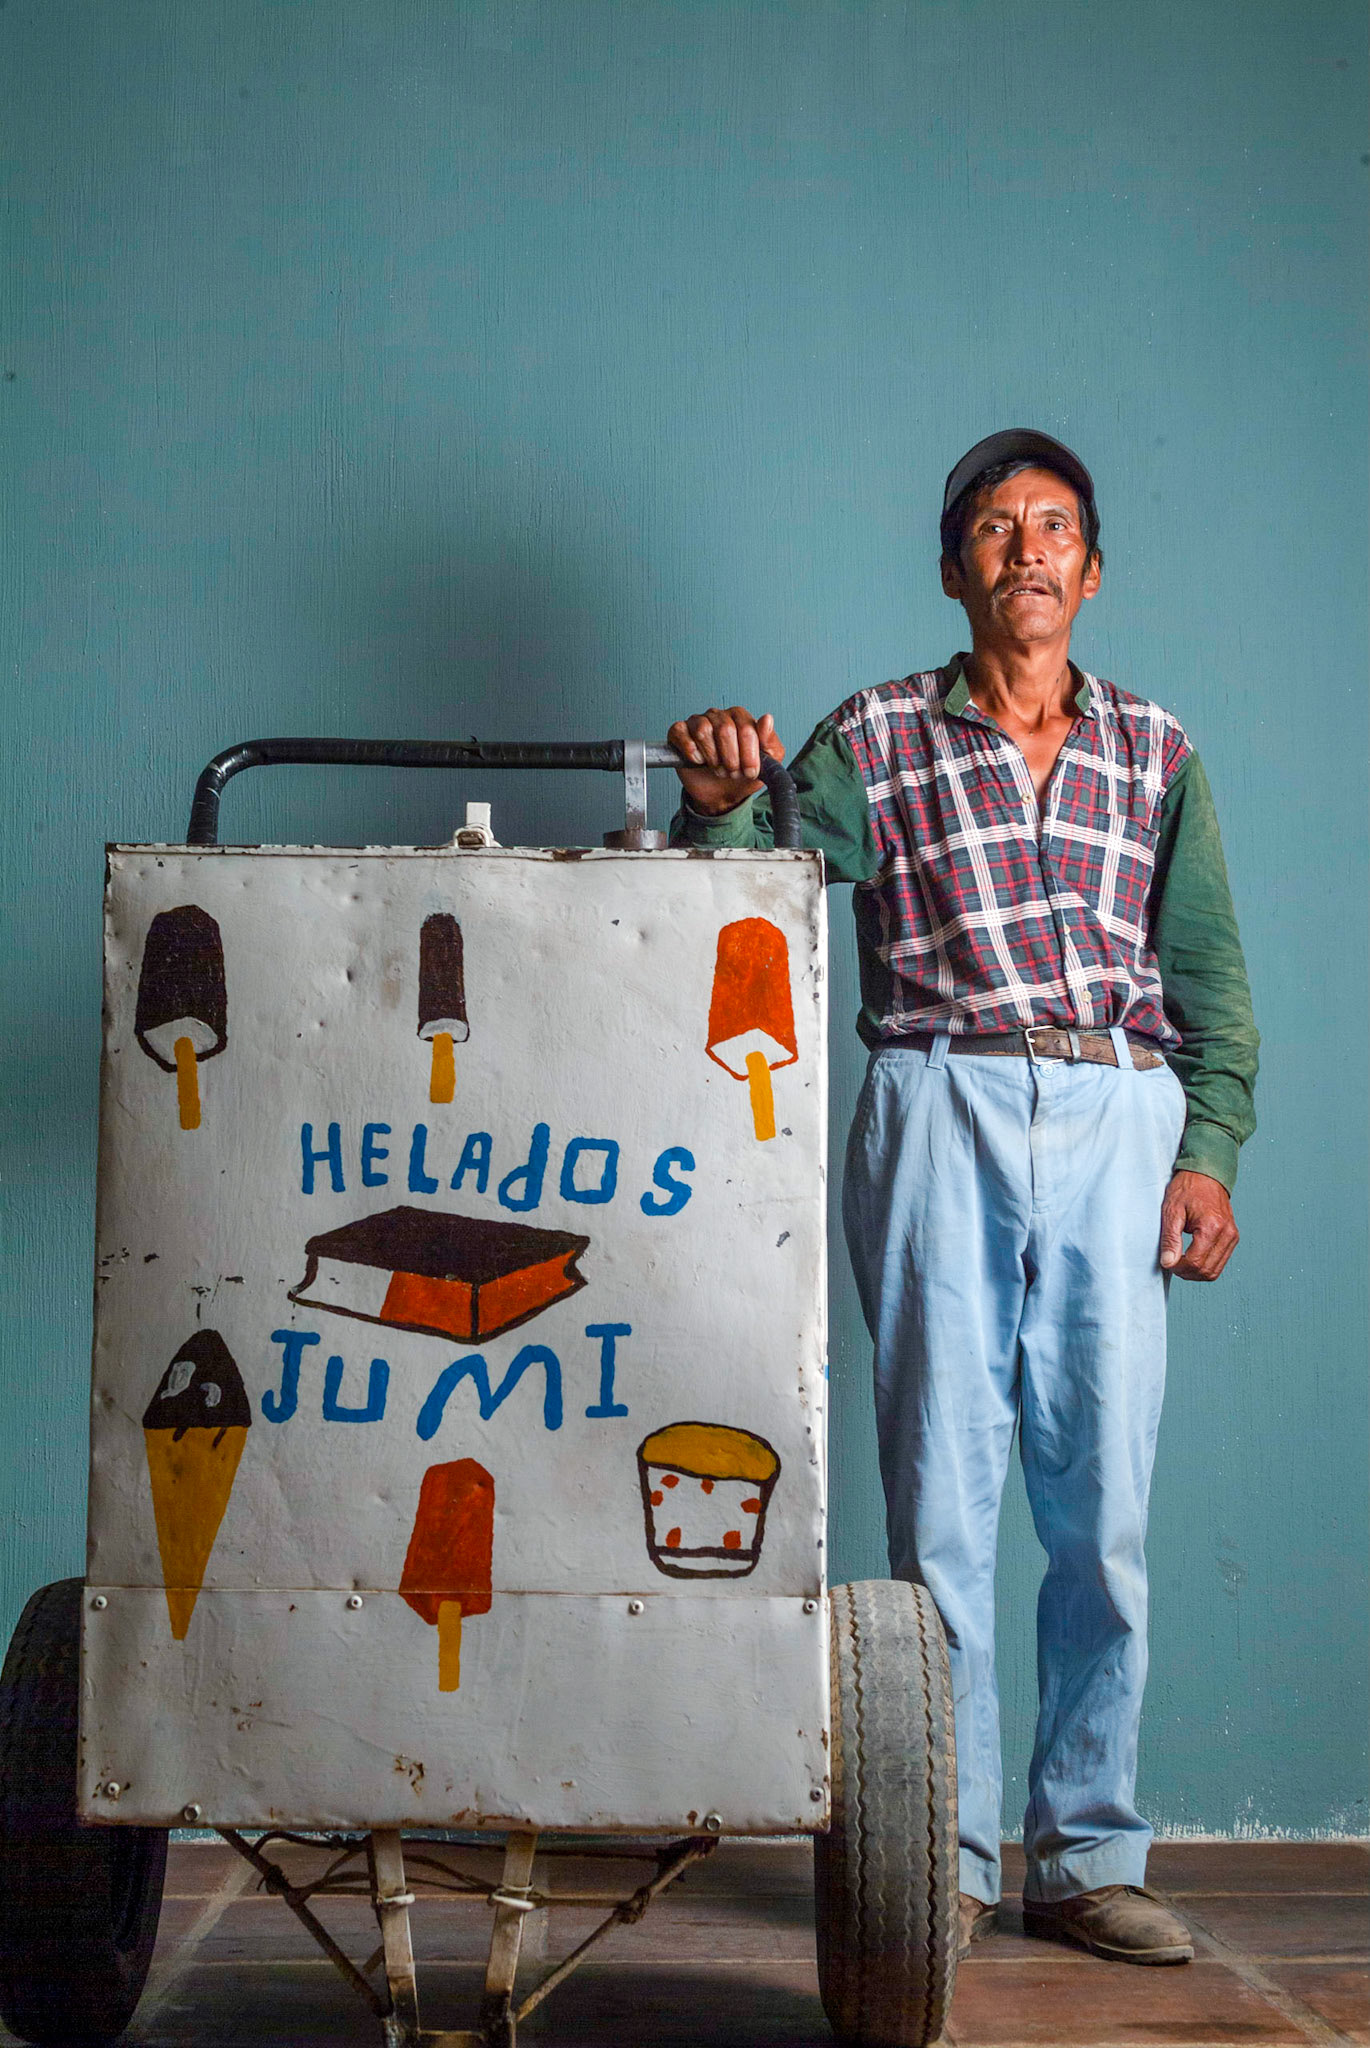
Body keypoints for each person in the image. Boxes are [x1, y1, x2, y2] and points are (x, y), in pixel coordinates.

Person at [667, 429, 1258, 1968]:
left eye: (1051, 526)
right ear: (954, 571)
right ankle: (941, 1850)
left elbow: (1205, 977)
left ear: (1092, 567)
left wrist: (1210, 1149)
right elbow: (754, 885)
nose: (1025, 552)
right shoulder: (872, 735)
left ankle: (1083, 1852)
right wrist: (722, 798)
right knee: (939, 1506)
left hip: (1118, 1105)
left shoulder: (1155, 748)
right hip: (938, 1094)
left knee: (1101, 1514)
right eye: (994, 531)